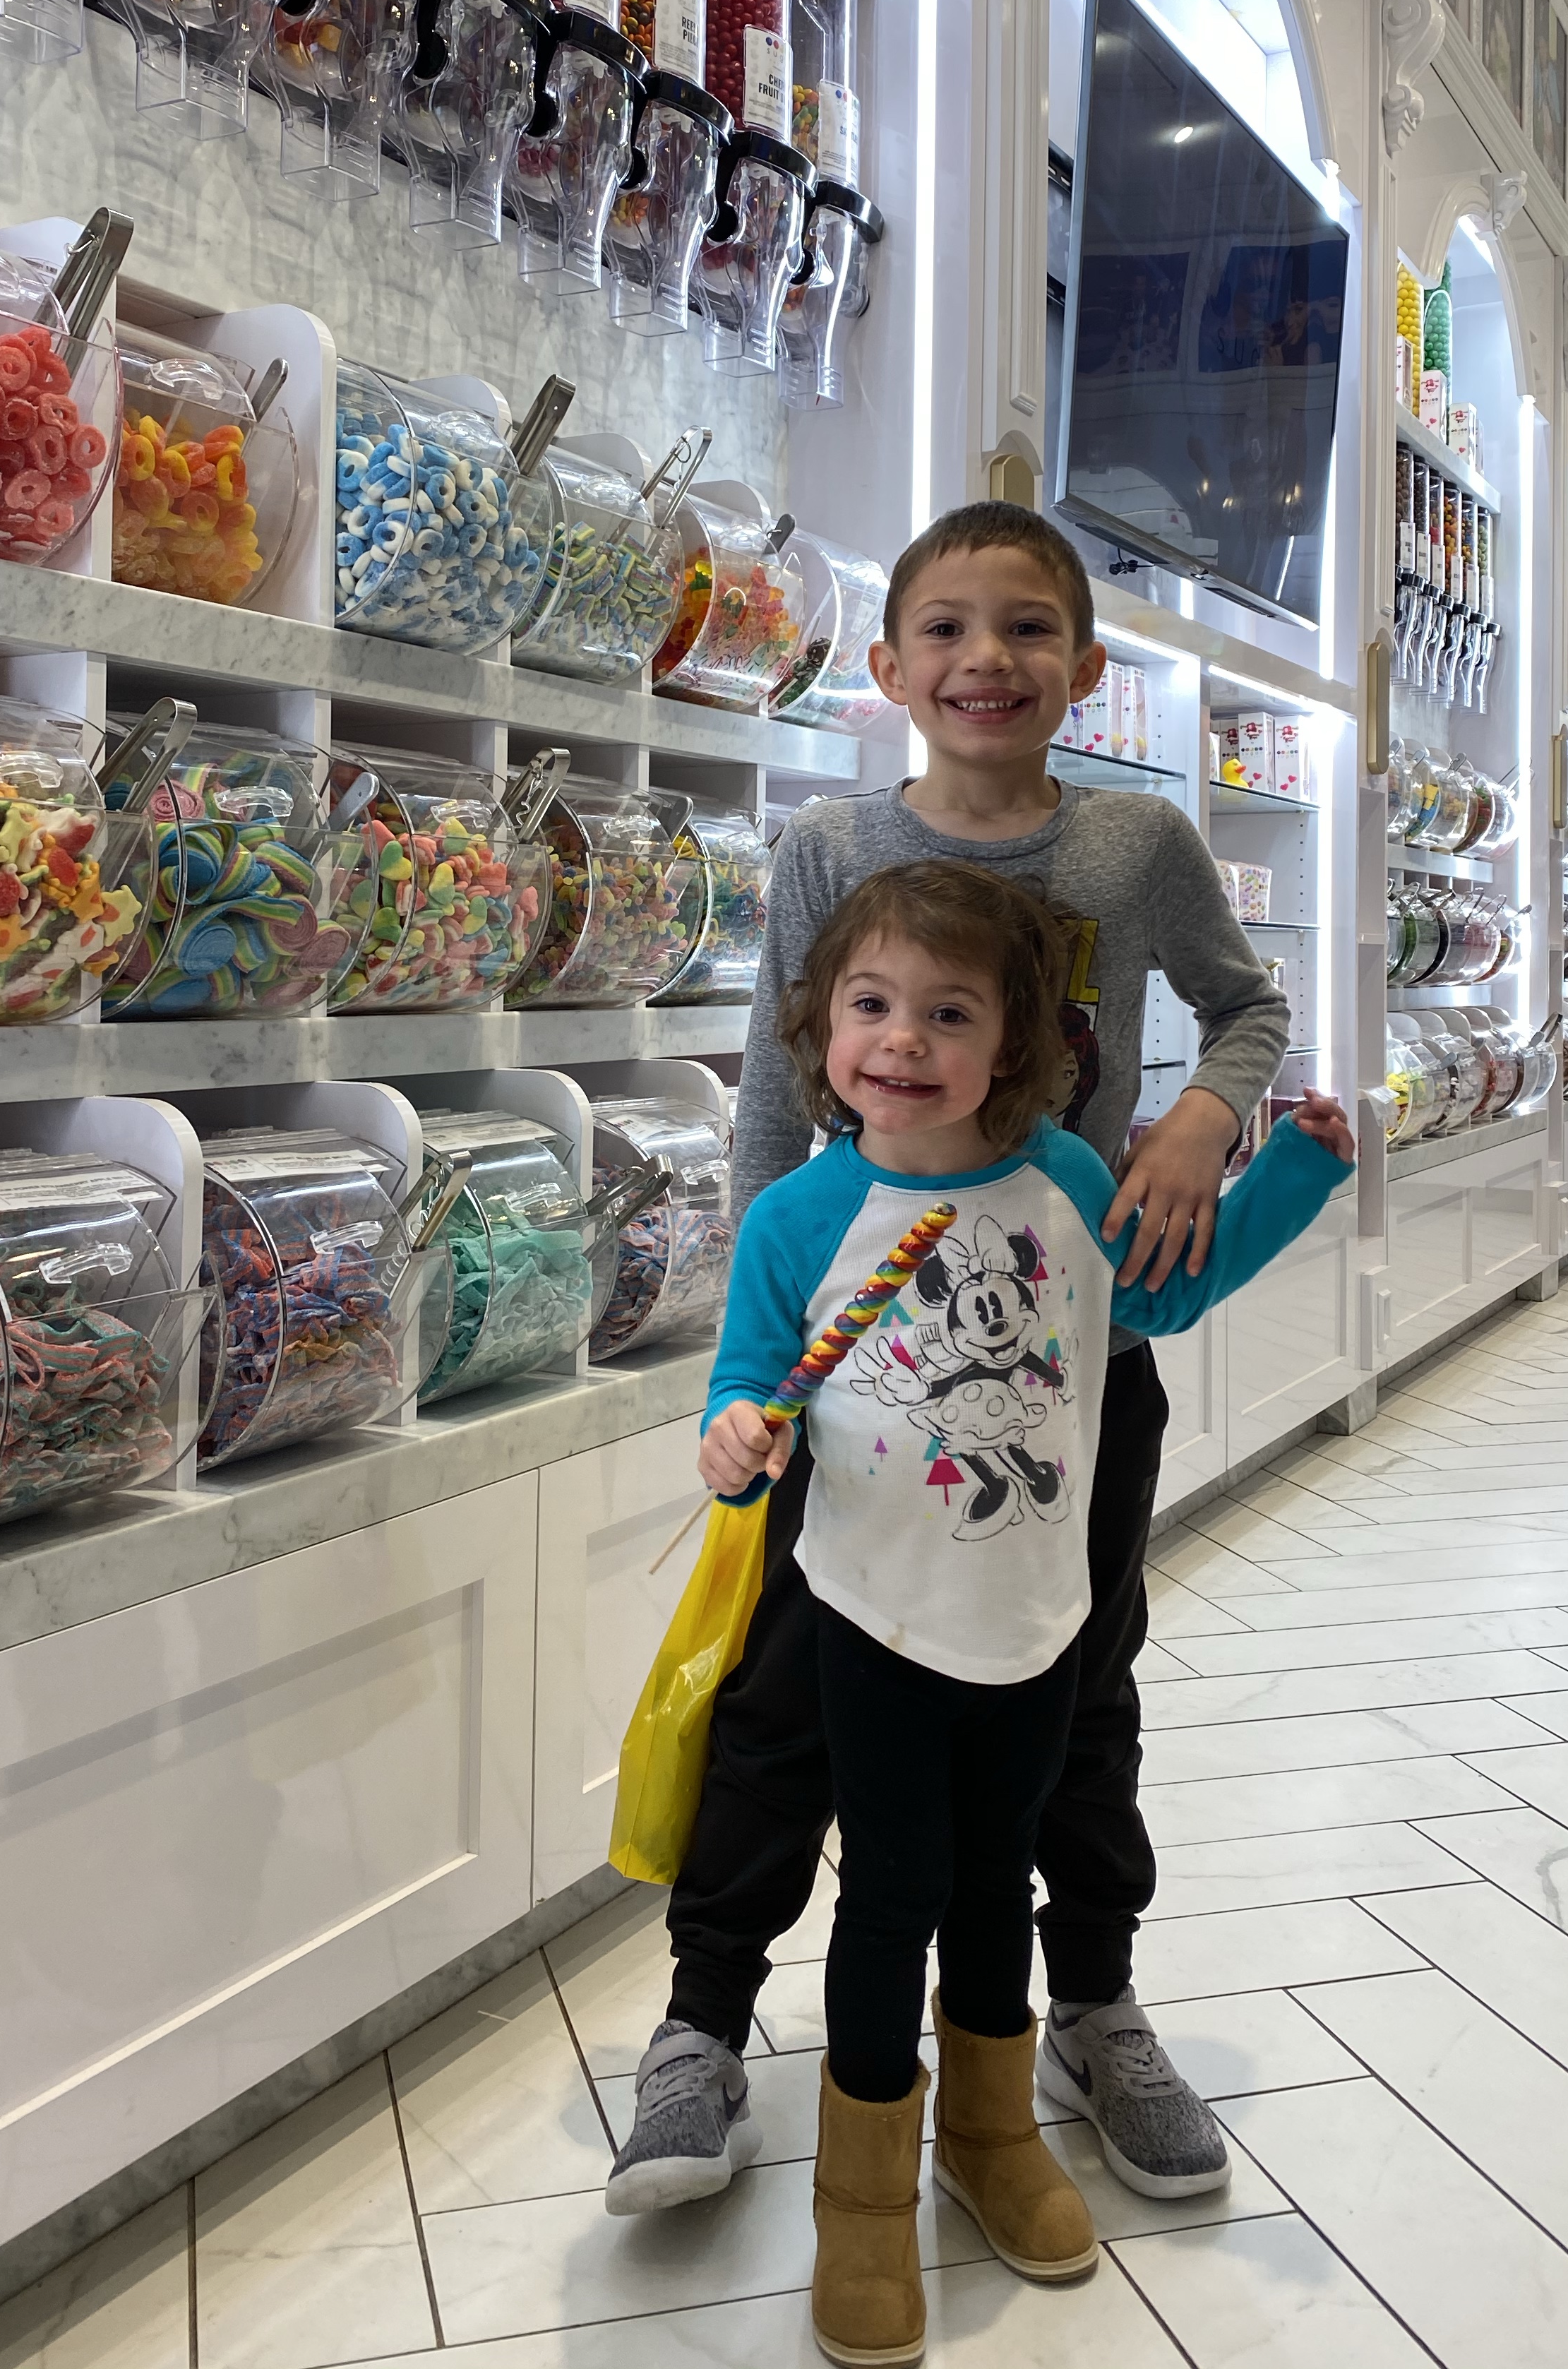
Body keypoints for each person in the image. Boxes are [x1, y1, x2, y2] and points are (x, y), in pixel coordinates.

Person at [606, 501, 1295, 2217]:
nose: (988, 659)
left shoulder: (1135, 847)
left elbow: (1250, 1008)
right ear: (889, 664)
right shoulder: (831, 847)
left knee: (1081, 1676)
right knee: (786, 1692)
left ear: (1088, 664)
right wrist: (768, 1348)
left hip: (1068, 1354)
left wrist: (1205, 1121)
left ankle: (1093, 2005)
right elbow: (773, 1093)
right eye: (948, 628)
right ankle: (703, 2021)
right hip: (852, 1378)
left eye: (1028, 627)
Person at [693, 861, 1354, 2367]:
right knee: (891, 1892)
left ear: (1019, 1045)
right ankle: (863, 2196)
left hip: (1039, 1613)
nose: (901, 1040)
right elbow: (747, 1384)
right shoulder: (800, 1217)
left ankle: (990, 2139)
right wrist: (736, 1438)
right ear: (818, 1025)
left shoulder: (1058, 1177)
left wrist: (1294, 1177)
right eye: (871, 1004)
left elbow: (1161, 1299)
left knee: (997, 1879)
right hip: (873, 1619)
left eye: (949, 1013)